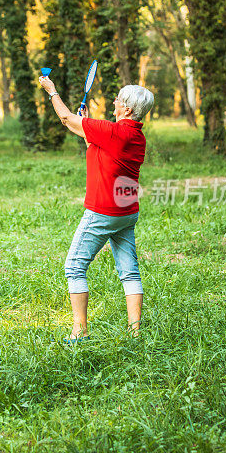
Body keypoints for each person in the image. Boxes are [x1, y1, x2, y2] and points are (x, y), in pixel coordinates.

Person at [38, 75, 154, 342]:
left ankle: (79, 332)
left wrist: (52, 90)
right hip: (126, 212)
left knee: (74, 267)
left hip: (103, 211)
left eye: (119, 100)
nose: (114, 101)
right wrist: (86, 122)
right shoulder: (133, 136)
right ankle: (135, 333)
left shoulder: (113, 131)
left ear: (126, 109)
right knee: (130, 271)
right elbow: (90, 140)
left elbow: (66, 118)